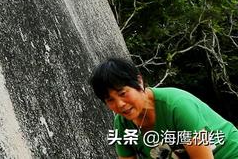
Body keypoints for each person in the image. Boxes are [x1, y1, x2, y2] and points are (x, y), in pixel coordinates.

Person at [89, 57, 238, 158]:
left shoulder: (177, 106)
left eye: (122, 93)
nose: (120, 104)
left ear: (139, 82)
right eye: (110, 100)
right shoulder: (122, 125)